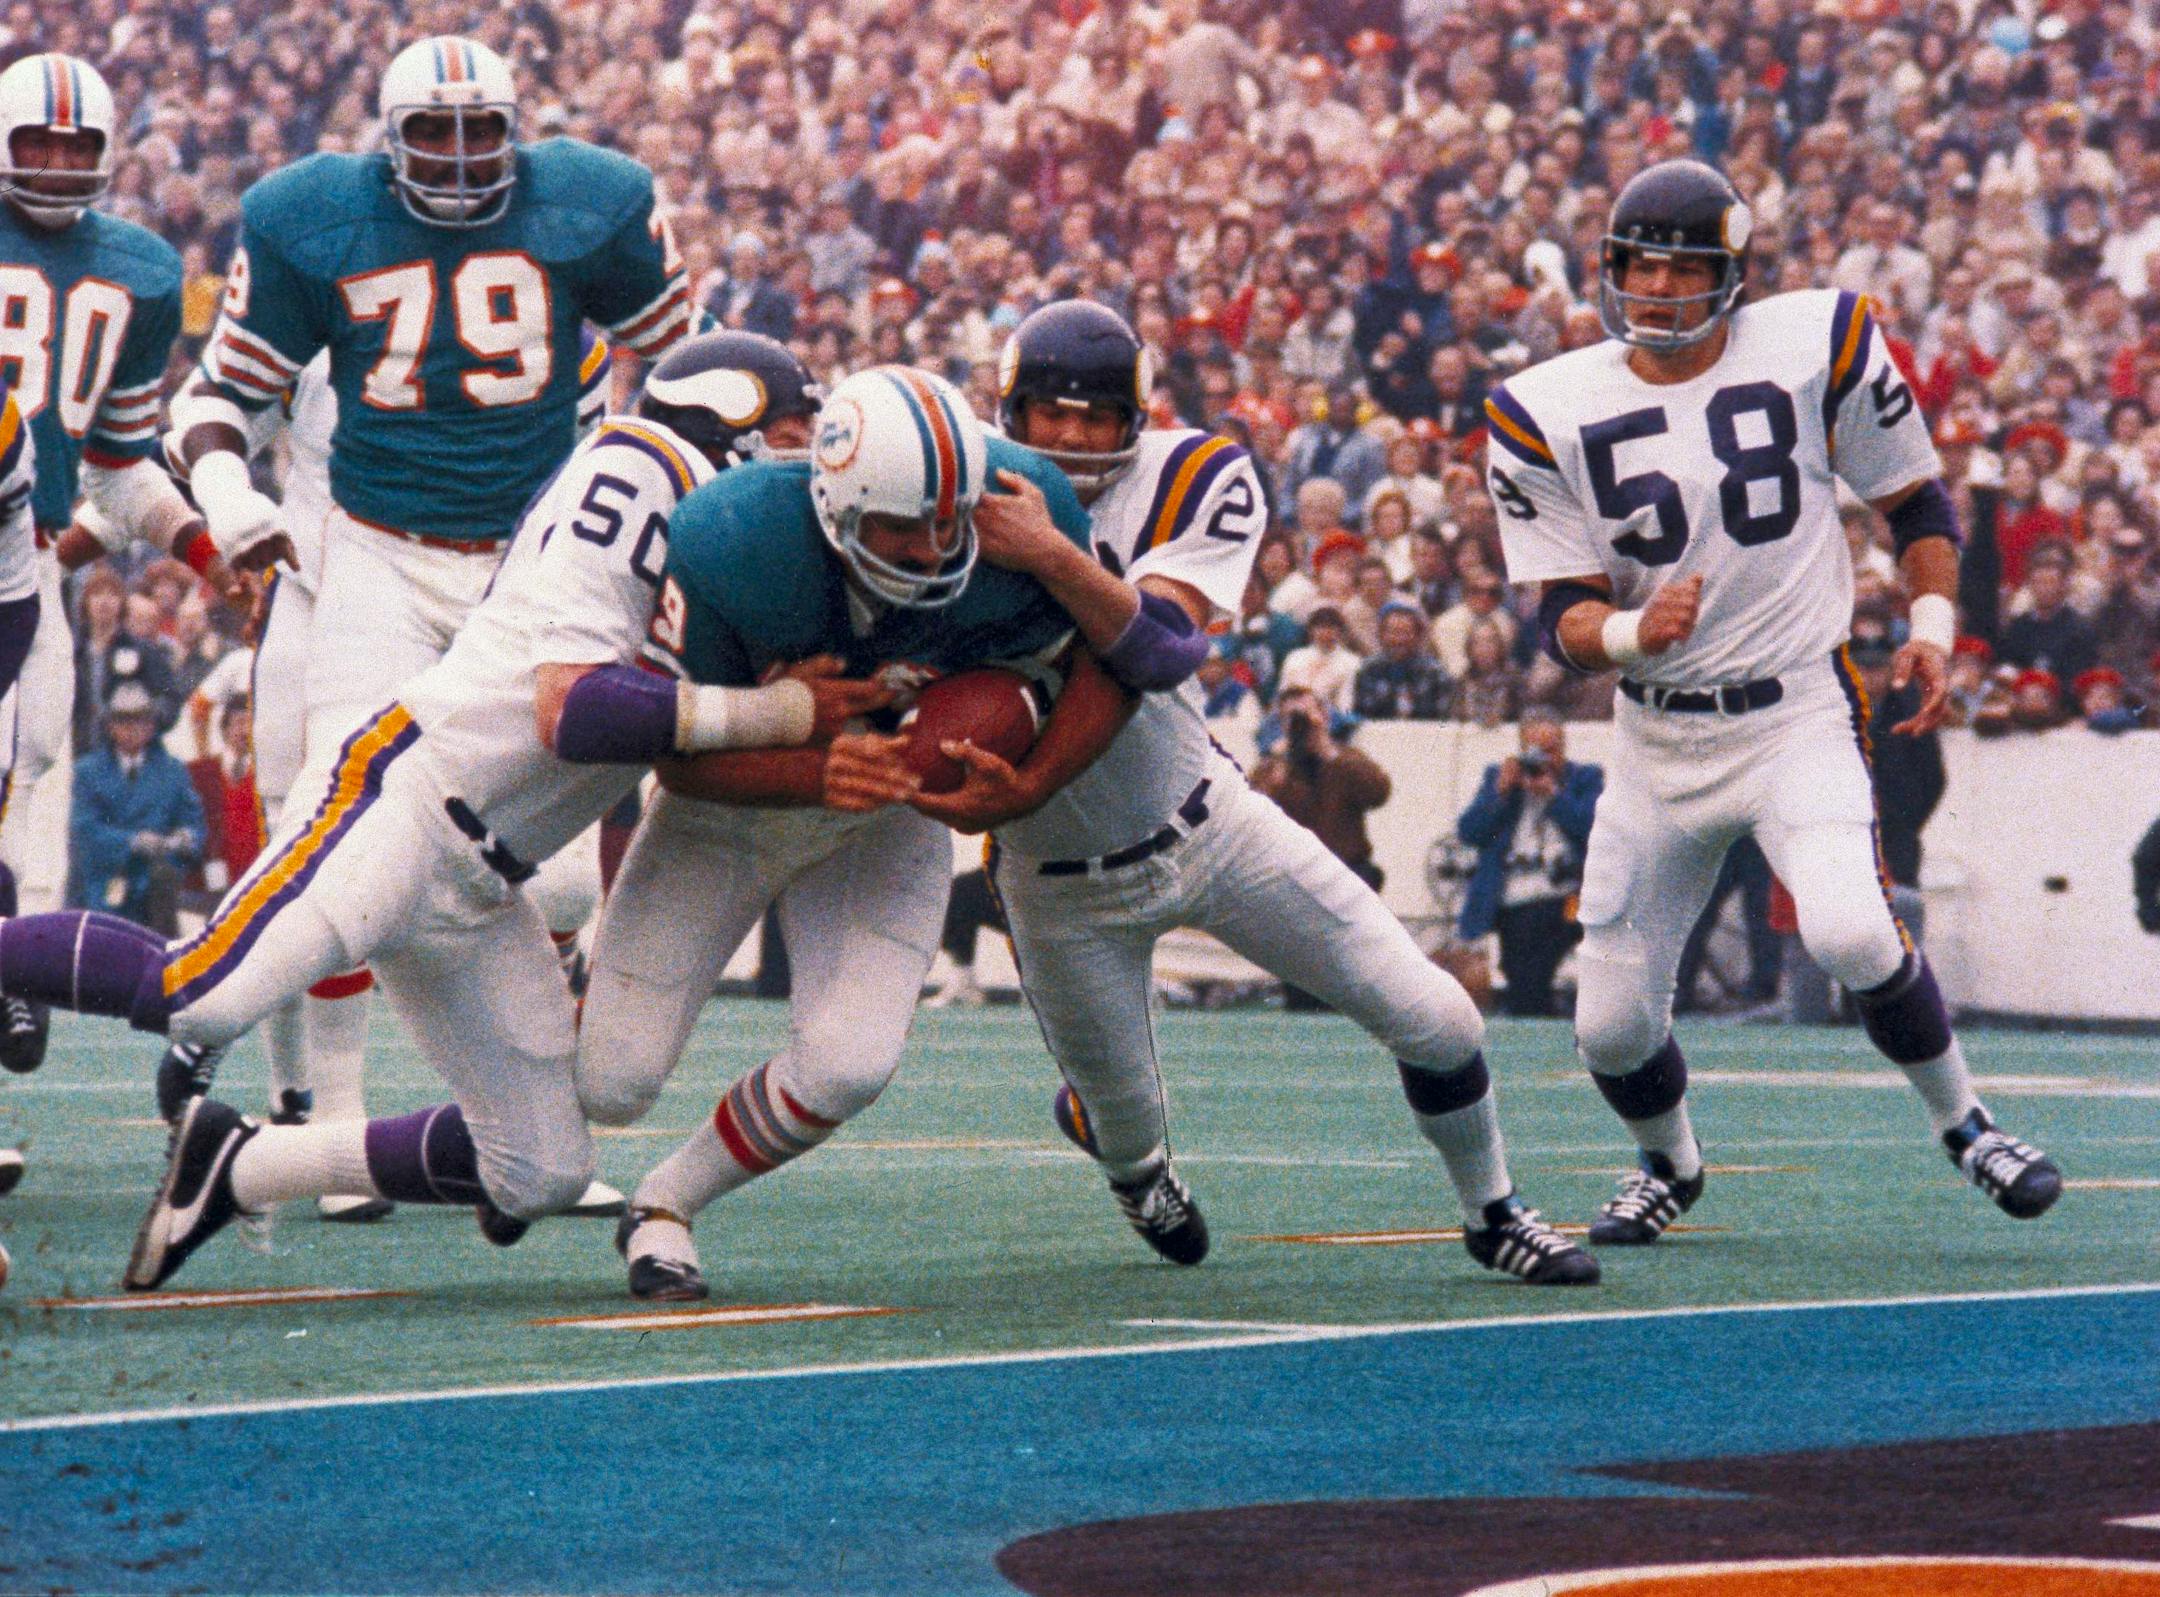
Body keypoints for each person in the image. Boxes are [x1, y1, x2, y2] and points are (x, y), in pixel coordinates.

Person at [0, 332, 856, 1292]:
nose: (802, 461)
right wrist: (783, 710)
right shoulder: (641, 465)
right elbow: (573, 710)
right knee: (201, 993)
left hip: (485, 878)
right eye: (787, 433)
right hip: (401, 803)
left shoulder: (724, 547)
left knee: (542, 1168)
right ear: (723, 420)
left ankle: (241, 1165)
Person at [950, 300, 1597, 1287]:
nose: (1072, 436)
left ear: (1137, 415)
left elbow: (1160, 649)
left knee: (1437, 1018)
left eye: (1093, 415)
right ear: (1011, 410)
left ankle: (1493, 1208)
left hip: (1208, 823)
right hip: (1055, 877)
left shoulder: (1193, 472)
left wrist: (1047, 553)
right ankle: (1130, 1160)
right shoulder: (954, 490)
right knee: (1126, 1128)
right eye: (1048, 414)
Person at [1484, 160, 2060, 1246]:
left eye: (1681, 265)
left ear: (1732, 274)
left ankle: (1967, 1123)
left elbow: (1915, 502)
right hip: (1655, 737)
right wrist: (1627, 632)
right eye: (1637, 263)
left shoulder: (1817, 340)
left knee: (1849, 926)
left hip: (1796, 708)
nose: (1654, 286)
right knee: (1607, 1026)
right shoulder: (1543, 408)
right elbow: (1557, 619)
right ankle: (1670, 1164)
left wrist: (1932, 633)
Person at [157, 36, 691, 1121]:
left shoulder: (593, 202)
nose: (455, 157)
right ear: (387, 141)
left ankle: (504, 1100)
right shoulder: (310, 218)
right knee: (338, 835)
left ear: (515, 130)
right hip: (378, 556)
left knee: (569, 883)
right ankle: (218, 1028)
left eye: (478, 130)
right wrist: (227, 494)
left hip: (538, 567)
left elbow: (690, 366)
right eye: (431, 134)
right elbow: (217, 400)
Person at [582, 362, 1136, 1301]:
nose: (931, 549)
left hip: (885, 819)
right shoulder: (735, 537)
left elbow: (1132, 659)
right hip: (732, 811)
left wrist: (1029, 779)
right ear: (835, 504)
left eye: (946, 520)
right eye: (903, 524)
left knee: (850, 1063)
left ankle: (667, 1204)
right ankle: (553, 1011)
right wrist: (808, 757)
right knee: (611, 1083)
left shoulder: (1019, 509)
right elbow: (674, 755)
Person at [0, 55, 245, 1076]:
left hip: (25, 558)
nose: (57, 166)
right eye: (37, 145)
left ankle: (14, 970)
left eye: (77, 147)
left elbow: (115, 468)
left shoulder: (143, 271)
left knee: (36, 757)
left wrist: (198, 545)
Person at [1455, 717, 1603, 1018]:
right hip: (1509, 894)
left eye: (1552, 751)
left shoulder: (1584, 778)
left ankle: (1533, 1008)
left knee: (1532, 950)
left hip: (1567, 896)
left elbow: (1594, 829)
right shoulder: (1500, 779)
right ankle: (1536, 1010)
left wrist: (1554, 798)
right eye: (1536, 752)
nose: (1543, 762)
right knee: (1520, 968)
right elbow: (1469, 832)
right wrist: (1499, 794)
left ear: (1564, 748)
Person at [67, 682, 206, 935]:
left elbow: (194, 823)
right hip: (106, 885)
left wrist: (184, 838)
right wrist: (132, 841)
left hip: (157, 890)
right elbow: (84, 830)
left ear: (152, 726)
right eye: (122, 721)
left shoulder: (172, 771)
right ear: (110, 726)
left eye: (140, 721)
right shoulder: (88, 772)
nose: (131, 729)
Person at [1352, 600, 1451, 719]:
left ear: (1418, 636)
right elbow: (1361, 716)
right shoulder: (1369, 669)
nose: (1399, 640)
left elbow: (1442, 719)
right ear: (1381, 635)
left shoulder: (1435, 672)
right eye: (1393, 632)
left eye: (1405, 632)